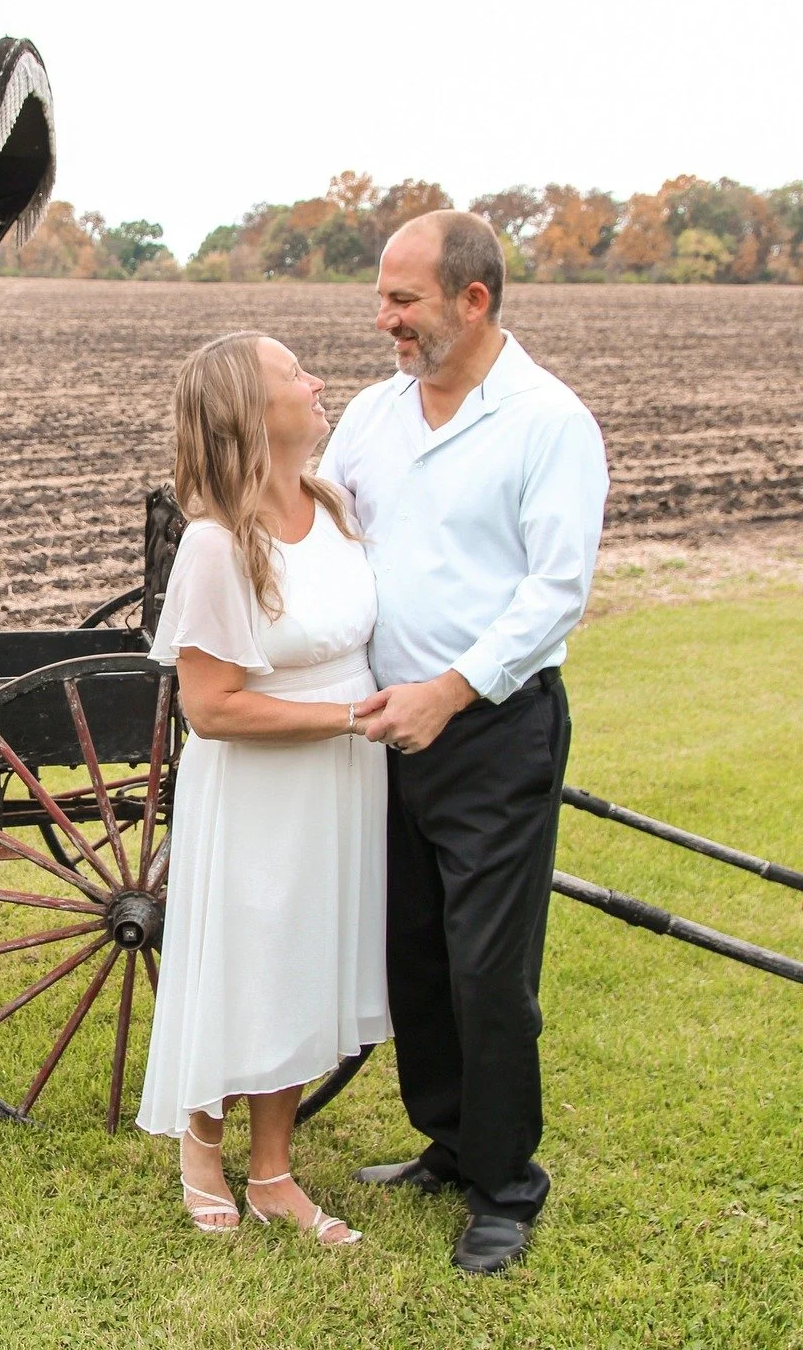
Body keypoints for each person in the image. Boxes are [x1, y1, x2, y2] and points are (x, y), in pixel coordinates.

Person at [319, 209, 609, 1274]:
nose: (383, 317)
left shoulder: (547, 421)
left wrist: (451, 688)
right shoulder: (372, 413)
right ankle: (447, 1139)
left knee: (489, 970)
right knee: (414, 951)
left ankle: (506, 1187)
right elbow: (326, 520)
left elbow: (555, 593)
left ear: (473, 300)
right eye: (384, 297)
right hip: (383, 725)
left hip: (492, 727)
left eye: (403, 299)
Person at [136, 330, 390, 1246]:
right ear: (250, 410)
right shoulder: (215, 547)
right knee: (248, 961)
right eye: (295, 374)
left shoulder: (335, 506)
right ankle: (200, 1146)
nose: (318, 382)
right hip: (260, 790)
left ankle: (274, 1170)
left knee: (304, 964)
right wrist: (352, 719)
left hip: (342, 784)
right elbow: (211, 708)